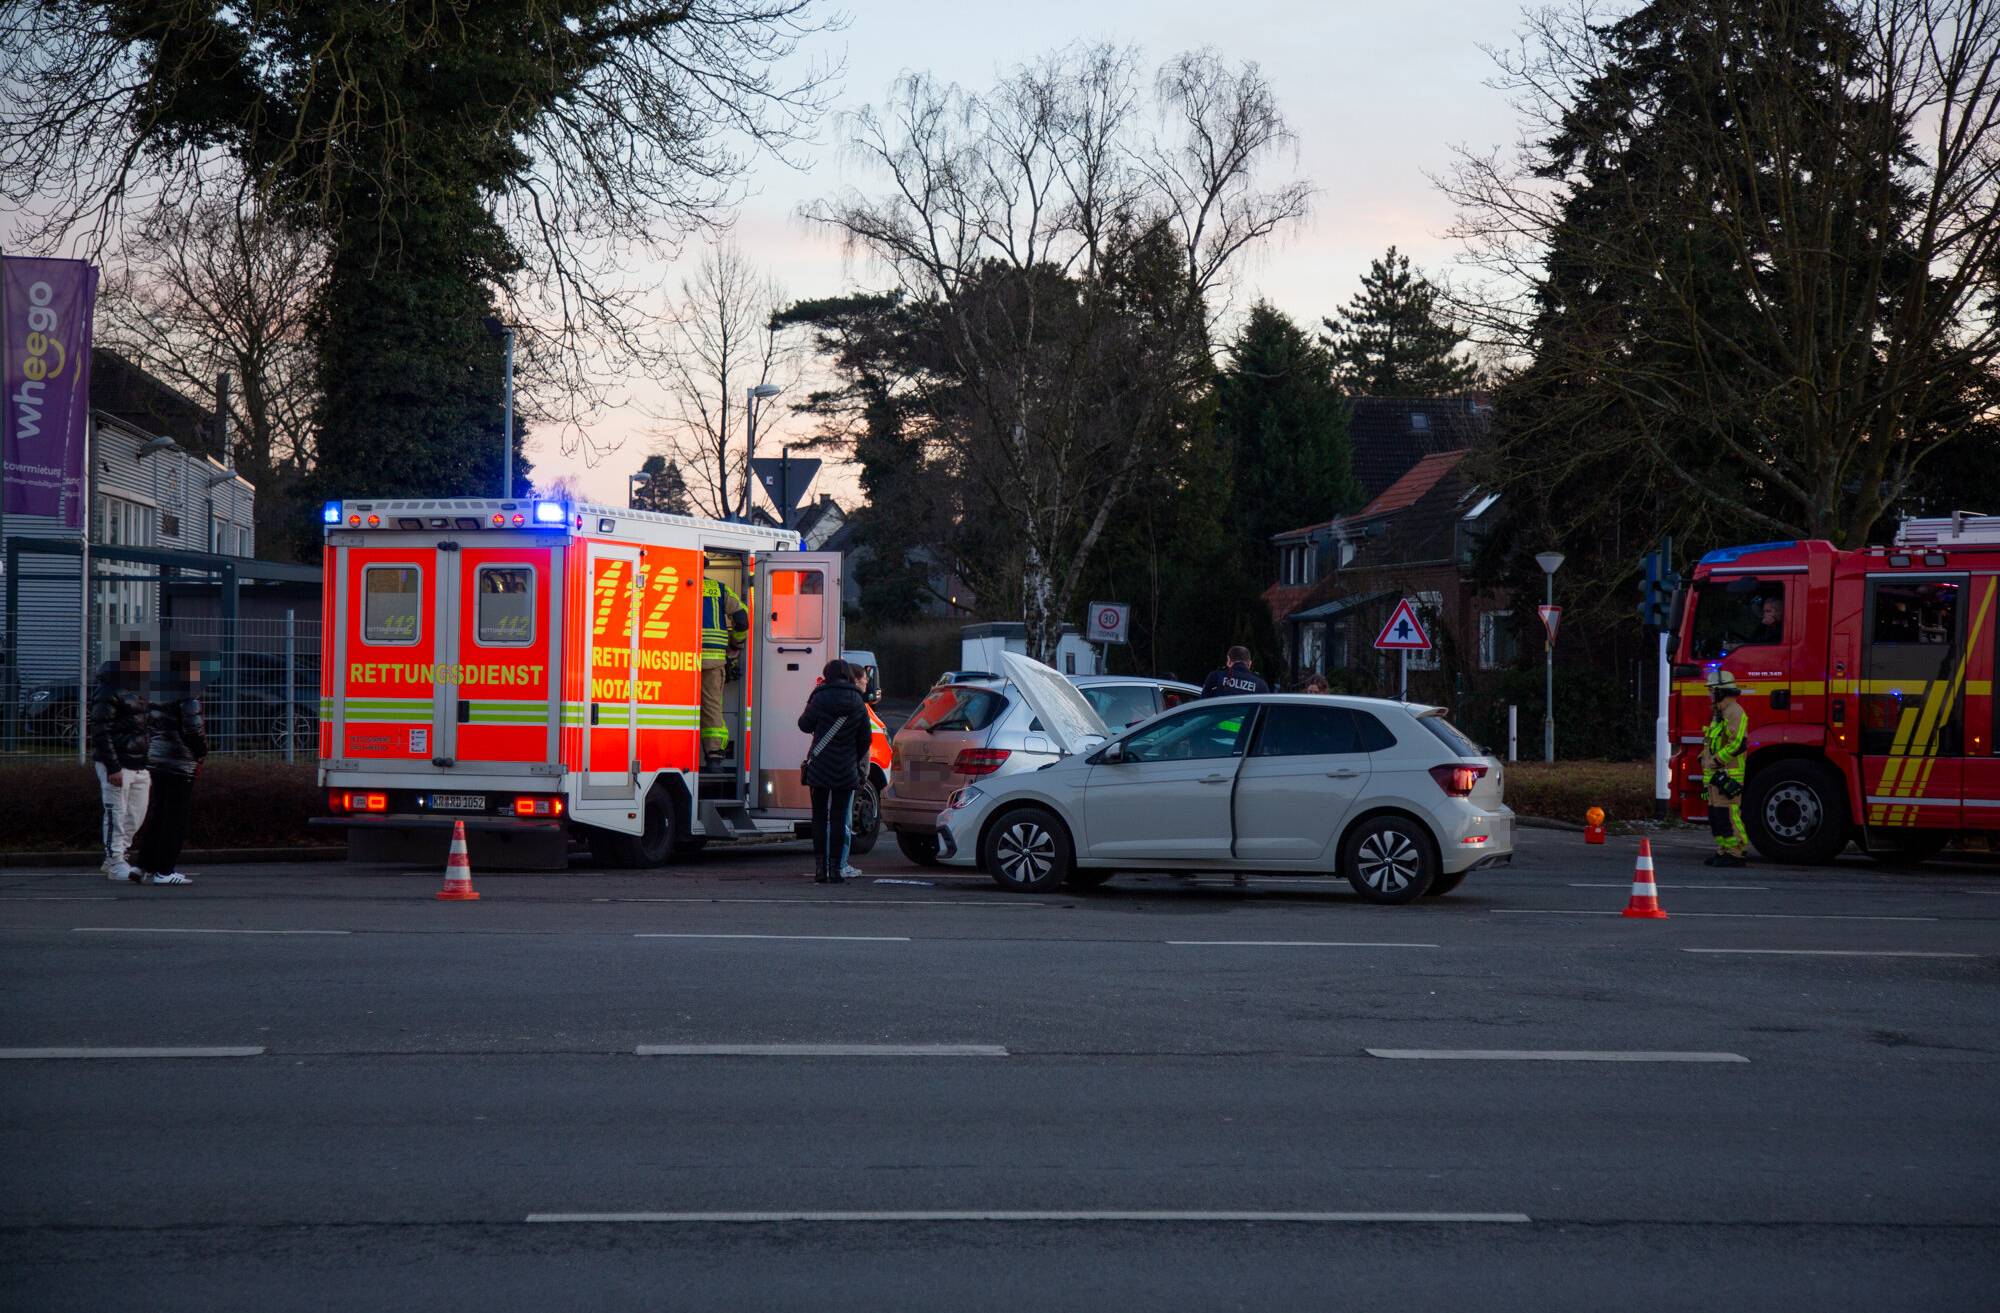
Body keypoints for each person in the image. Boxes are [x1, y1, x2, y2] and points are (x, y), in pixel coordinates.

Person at [134, 651, 208, 886]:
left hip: (156, 760)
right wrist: (201, 752)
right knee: (175, 818)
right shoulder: (188, 695)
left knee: (157, 814)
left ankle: (143, 865)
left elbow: (151, 726)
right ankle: (165, 870)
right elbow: (193, 728)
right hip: (180, 761)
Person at [797, 660, 873, 884]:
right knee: (840, 819)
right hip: (846, 768)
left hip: (820, 766)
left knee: (820, 818)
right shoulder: (858, 701)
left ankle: (821, 870)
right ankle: (836, 870)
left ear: (827, 675)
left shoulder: (820, 696)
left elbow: (804, 725)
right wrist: (853, 758)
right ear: (848, 675)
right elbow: (865, 738)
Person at [89, 641, 153, 882]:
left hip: (139, 764)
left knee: (135, 814)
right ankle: (115, 859)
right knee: (116, 813)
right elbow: (101, 731)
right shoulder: (108, 690)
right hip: (117, 765)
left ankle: (118, 854)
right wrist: (113, 767)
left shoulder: (138, 689)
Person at [1700, 669, 1750, 868]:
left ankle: (1736, 852)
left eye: (1712, 691)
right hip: (1716, 776)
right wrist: (1703, 758)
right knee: (1717, 816)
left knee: (1730, 815)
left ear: (1721, 692)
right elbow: (1713, 741)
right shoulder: (1719, 714)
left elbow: (1738, 744)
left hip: (1728, 775)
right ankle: (1723, 850)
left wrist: (1714, 761)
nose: (1709, 695)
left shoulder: (1735, 712)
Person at [699, 574, 750, 767]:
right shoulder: (719, 588)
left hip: (679, 659)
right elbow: (742, 619)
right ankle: (714, 758)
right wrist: (736, 644)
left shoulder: (672, 584)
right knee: (711, 706)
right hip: (712, 660)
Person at [1200, 646, 1269, 699]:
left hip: (1217, 716)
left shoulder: (1216, 676)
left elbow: (1203, 703)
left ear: (1228, 660)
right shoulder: (1260, 684)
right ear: (1250, 664)